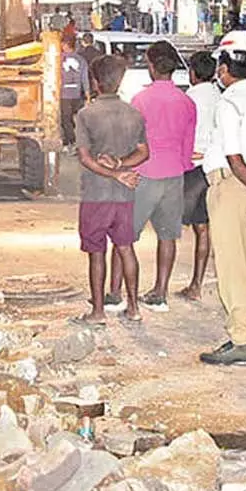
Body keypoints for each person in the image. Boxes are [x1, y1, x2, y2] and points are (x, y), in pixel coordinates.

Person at [198, 30, 246, 367]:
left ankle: (242, 338)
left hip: (235, 185)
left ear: (224, 67)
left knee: (232, 266)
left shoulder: (228, 103)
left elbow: (234, 156)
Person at [117, 40, 196, 312]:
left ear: (151, 67)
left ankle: (117, 294)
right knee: (168, 235)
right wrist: (182, 165)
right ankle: (160, 292)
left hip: (143, 174)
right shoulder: (186, 101)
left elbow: (130, 139)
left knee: (124, 237)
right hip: (174, 174)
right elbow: (188, 144)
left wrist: (122, 168)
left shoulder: (140, 100)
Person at [73, 55, 149, 325]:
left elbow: (85, 157)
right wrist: (122, 167)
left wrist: (114, 172)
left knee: (97, 253)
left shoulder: (86, 114)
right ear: (120, 81)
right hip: (125, 196)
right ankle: (134, 307)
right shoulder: (134, 113)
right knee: (126, 248)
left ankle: (98, 312)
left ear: (95, 82)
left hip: (96, 194)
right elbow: (143, 153)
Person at [181, 51, 221, 301]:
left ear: (192, 73)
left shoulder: (189, 98)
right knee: (206, 228)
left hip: (193, 166)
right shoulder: (221, 97)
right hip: (215, 165)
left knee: (198, 227)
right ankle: (198, 281)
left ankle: (195, 284)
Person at [60, 37, 91, 151]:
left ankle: (71, 142)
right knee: (74, 119)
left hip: (64, 94)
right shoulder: (81, 60)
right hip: (77, 94)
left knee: (65, 118)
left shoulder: (59, 59)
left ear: (66, 45)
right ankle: (72, 139)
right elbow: (85, 79)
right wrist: (87, 95)